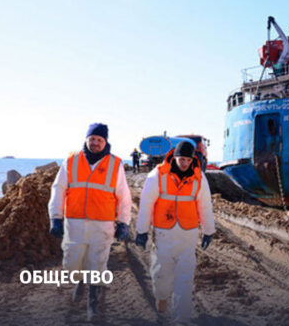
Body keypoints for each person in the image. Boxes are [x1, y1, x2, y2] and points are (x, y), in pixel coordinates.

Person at [48, 123, 132, 321]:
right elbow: (58, 189)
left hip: (102, 224)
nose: (95, 143)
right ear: (86, 139)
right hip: (74, 223)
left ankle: (92, 304)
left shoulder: (115, 164)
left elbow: (124, 196)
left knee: (97, 263)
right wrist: (55, 218)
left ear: (105, 142)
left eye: (99, 140)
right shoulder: (71, 161)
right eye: (92, 139)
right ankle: (79, 281)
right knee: (71, 262)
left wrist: (123, 222)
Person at [135, 141, 215, 324]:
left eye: (188, 159)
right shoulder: (157, 175)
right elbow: (146, 205)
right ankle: (162, 296)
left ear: (192, 159)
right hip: (163, 234)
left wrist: (209, 231)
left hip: (188, 234)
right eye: (181, 159)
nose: (185, 163)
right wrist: (142, 231)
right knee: (161, 274)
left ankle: (182, 319)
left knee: (184, 279)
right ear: (174, 157)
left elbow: (205, 206)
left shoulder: (199, 178)